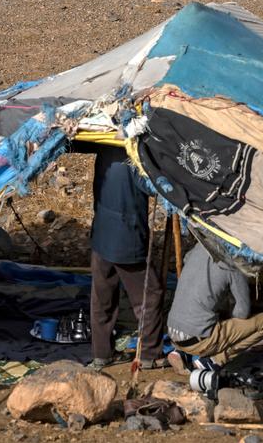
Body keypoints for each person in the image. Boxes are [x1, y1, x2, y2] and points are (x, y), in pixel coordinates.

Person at [85, 142, 167, 369]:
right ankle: (150, 355)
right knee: (149, 295)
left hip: (102, 233)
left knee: (102, 298)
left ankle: (101, 354)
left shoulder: (105, 146)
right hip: (127, 237)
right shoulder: (135, 155)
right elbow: (151, 187)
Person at [166, 243, 263, 365]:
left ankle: (182, 353)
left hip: (173, 331)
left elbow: (187, 259)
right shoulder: (235, 263)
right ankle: (214, 360)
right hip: (199, 340)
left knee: (208, 310)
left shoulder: (200, 246)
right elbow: (242, 313)